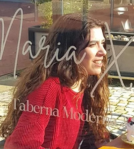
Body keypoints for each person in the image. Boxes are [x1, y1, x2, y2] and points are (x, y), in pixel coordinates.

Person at [0, 13, 110, 149]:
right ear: (69, 49)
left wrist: (102, 141)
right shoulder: (50, 88)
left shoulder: (86, 83)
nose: (103, 52)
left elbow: (91, 134)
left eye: (103, 44)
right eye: (93, 45)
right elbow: (19, 145)